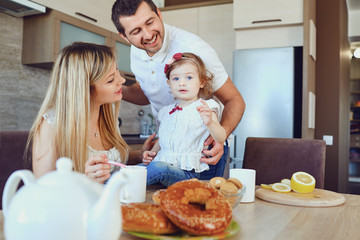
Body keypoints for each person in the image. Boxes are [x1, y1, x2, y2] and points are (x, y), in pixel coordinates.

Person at [111, 0, 245, 179]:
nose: (148, 34)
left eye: (150, 22)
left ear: (159, 13)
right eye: (136, 31)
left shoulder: (194, 49)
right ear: (124, 36)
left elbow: (235, 101)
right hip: (170, 149)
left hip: (202, 151)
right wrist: (114, 88)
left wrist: (220, 137)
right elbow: (146, 94)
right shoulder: (136, 52)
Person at [26, 42, 154, 183]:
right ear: (84, 89)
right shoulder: (51, 125)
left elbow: (113, 160)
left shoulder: (107, 112)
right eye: (110, 80)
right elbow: (43, 189)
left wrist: (139, 155)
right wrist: (86, 181)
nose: (122, 80)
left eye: (117, 71)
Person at [142, 52, 226, 186]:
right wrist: (151, 154)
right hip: (163, 165)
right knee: (136, 169)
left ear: (202, 81)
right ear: (169, 83)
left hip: (187, 173)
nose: (181, 83)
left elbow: (221, 137)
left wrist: (210, 122)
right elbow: (163, 140)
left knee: (157, 168)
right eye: (176, 79)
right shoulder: (166, 111)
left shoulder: (206, 107)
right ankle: (109, 185)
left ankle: (120, 187)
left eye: (189, 77)